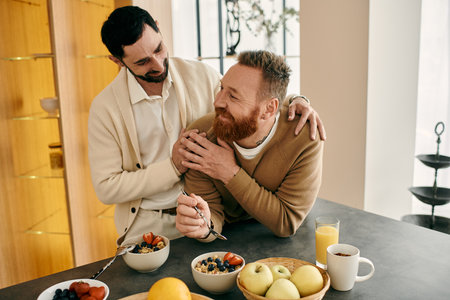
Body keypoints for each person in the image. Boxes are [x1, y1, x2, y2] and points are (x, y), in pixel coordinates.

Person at [88, 6, 325, 246]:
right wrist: (174, 166)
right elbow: (107, 188)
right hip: (148, 225)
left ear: (159, 28)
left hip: (213, 216)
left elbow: (249, 96)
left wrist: (297, 100)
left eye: (158, 49)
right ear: (117, 61)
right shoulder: (105, 109)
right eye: (142, 62)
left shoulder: (200, 73)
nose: (158, 64)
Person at [175, 50, 323, 241]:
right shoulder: (202, 136)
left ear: (269, 109)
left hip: (282, 246)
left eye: (234, 97)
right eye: (221, 89)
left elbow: (287, 221)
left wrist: (230, 173)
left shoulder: (304, 137)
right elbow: (211, 215)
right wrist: (204, 227)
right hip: (228, 245)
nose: (217, 102)